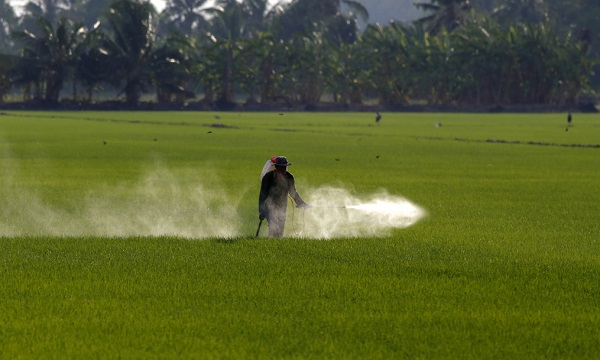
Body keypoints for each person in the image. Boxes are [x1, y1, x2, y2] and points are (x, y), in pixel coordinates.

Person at [258, 156, 309, 237]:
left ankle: (278, 241)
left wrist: (301, 203)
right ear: (276, 166)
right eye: (281, 167)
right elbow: (263, 194)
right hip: (270, 206)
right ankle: (271, 241)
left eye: (284, 167)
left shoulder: (289, 177)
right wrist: (261, 209)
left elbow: (293, 192)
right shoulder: (268, 177)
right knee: (273, 226)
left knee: (281, 226)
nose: (283, 169)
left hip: (282, 206)